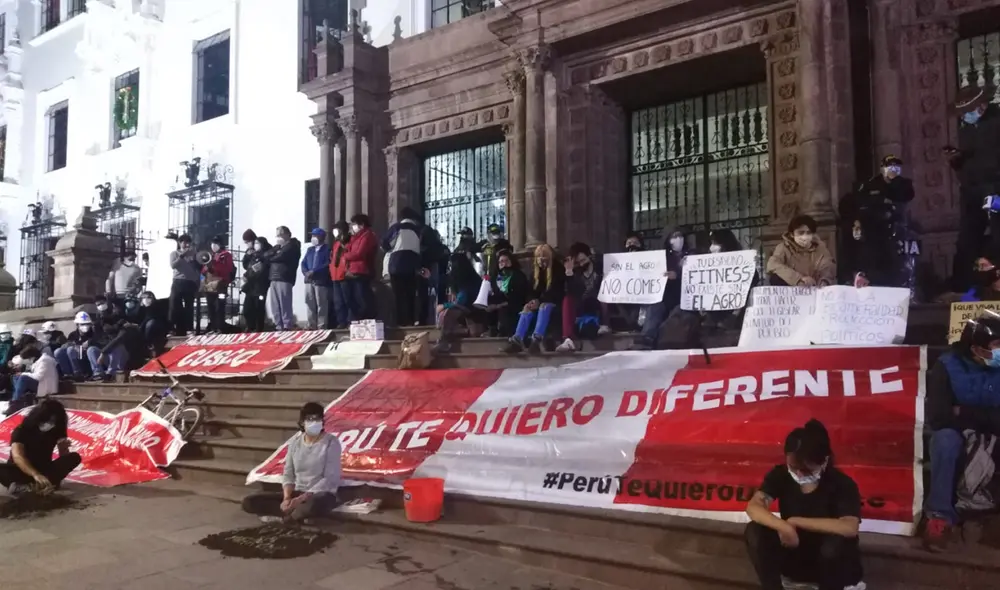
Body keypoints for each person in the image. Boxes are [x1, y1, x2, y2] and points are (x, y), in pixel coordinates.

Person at [744, 419, 865, 590]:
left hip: (832, 566)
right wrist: (783, 527)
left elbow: (849, 527)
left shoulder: (842, 484)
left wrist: (795, 521)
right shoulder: (780, 475)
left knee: (835, 545)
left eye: (806, 469)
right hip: (795, 557)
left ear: (824, 461)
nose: (799, 474)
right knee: (754, 531)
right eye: (794, 467)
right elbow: (754, 507)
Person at [922, 311, 1000, 551]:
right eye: (996, 346)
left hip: (987, 429)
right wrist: (982, 419)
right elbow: (939, 416)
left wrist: (964, 412)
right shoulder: (947, 365)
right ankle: (939, 517)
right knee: (945, 441)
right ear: (976, 349)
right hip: (957, 430)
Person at [241, 402, 341, 522]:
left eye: (317, 419)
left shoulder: (331, 442)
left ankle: (284, 517)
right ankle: (294, 516)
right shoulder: (295, 443)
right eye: (310, 419)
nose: (314, 422)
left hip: (319, 494)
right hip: (297, 492)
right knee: (249, 502)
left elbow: (329, 478)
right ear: (302, 422)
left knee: (314, 504)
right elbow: (288, 473)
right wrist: (287, 498)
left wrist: (301, 499)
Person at [949, 84, 1000, 292]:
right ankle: (964, 286)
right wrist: (956, 161)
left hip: (995, 186)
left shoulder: (996, 123)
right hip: (972, 189)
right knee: (967, 238)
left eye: (968, 112)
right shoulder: (967, 130)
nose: (964, 117)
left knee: (998, 233)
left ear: (982, 106)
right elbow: (969, 159)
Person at [840, 155, 915, 287]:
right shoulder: (871, 184)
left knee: (897, 264)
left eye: (897, 167)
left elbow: (907, 195)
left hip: (897, 229)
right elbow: (859, 203)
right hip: (874, 230)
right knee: (872, 261)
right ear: (882, 168)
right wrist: (857, 222)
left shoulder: (904, 183)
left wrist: (894, 182)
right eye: (890, 166)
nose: (893, 169)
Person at [0, 399, 81, 496]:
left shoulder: (56, 429)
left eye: (53, 421)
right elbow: (18, 456)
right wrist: (35, 474)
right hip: (21, 469)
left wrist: (64, 448)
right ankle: (31, 486)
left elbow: (63, 457)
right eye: (48, 420)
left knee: (74, 457)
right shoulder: (22, 430)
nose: (50, 424)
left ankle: (36, 486)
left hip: (44, 468)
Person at [630, 228, 692, 350]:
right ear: (668, 240)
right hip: (667, 295)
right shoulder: (663, 257)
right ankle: (647, 337)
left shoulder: (691, 254)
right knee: (655, 307)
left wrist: (678, 275)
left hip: (685, 297)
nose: (677, 239)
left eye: (679, 235)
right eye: (673, 236)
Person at [502, 244, 565, 354]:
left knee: (543, 306)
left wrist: (539, 301)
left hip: (554, 304)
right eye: (539, 257)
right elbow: (530, 291)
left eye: (544, 256)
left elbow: (557, 292)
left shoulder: (558, 271)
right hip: (539, 303)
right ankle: (517, 340)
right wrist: (531, 301)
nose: (541, 260)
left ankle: (536, 340)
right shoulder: (535, 273)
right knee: (526, 308)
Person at [557, 243, 610, 352]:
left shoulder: (599, 268)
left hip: (597, 303)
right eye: (578, 262)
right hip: (582, 305)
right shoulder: (576, 274)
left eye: (583, 260)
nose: (581, 264)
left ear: (589, 256)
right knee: (567, 300)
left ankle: (604, 325)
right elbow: (571, 291)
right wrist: (569, 273)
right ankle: (567, 339)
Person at [383, 208, 431, 326]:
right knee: (410, 295)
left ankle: (400, 321)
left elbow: (385, 243)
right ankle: (410, 319)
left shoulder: (397, 228)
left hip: (397, 266)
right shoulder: (419, 231)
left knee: (398, 295)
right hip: (412, 267)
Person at [433, 252, 487, 353]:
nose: (450, 268)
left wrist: (445, 306)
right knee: (448, 314)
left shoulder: (469, 279)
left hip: (475, 311)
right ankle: (449, 337)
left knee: (450, 312)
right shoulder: (461, 278)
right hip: (467, 312)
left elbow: (463, 300)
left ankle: (444, 342)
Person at [766, 215, 837, 287]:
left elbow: (828, 265)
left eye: (808, 233)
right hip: (791, 289)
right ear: (792, 234)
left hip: (815, 287)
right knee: (775, 277)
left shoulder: (820, 247)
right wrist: (798, 279)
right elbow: (773, 265)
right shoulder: (783, 247)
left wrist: (824, 280)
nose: (805, 237)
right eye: (801, 233)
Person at [262, 226, 302, 330]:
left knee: (285, 303)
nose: (278, 237)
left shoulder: (292, 246)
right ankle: (278, 325)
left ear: (287, 234)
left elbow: (281, 257)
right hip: (273, 277)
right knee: (275, 304)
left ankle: (287, 324)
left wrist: (272, 256)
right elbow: (266, 255)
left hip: (284, 277)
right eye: (277, 235)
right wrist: (274, 253)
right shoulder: (278, 247)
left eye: (280, 235)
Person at [486, 249, 530, 338]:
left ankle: (506, 333)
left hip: (514, 304)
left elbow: (519, 295)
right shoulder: (495, 277)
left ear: (511, 262)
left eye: (506, 261)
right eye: (501, 261)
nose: (504, 263)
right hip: (499, 303)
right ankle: (492, 329)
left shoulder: (518, 275)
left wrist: (499, 305)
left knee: (504, 309)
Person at [4, 346, 59, 416]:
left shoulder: (45, 360)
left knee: (23, 378)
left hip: (46, 385)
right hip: (40, 383)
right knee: (16, 377)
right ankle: (17, 401)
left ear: (31, 357)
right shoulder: (38, 360)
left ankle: (15, 404)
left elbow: (38, 376)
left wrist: (24, 373)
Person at [343, 214, 378, 322]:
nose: (352, 227)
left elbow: (359, 253)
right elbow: (347, 249)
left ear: (361, 225)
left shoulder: (368, 235)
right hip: (351, 271)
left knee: (362, 297)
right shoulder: (355, 237)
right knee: (349, 297)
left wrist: (346, 256)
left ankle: (366, 318)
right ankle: (357, 318)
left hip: (362, 270)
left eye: (354, 224)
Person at [87, 301, 129, 381]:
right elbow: (99, 341)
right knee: (91, 349)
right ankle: (98, 373)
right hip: (108, 357)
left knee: (116, 347)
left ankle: (111, 373)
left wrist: (103, 352)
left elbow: (116, 341)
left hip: (122, 357)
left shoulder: (123, 326)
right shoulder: (102, 326)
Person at [202, 235, 235, 333]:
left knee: (219, 306)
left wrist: (214, 266)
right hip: (210, 286)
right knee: (211, 307)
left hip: (221, 285)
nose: (213, 245)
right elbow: (203, 271)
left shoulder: (226, 255)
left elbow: (228, 269)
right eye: (212, 243)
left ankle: (220, 327)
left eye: (216, 243)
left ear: (220, 244)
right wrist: (206, 268)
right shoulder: (210, 255)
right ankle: (213, 327)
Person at [168, 234, 200, 336]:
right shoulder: (174, 253)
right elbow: (173, 265)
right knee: (174, 305)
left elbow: (198, 267)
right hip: (177, 281)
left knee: (189, 306)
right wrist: (182, 256)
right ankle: (172, 328)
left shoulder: (194, 254)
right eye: (182, 242)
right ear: (179, 243)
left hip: (189, 282)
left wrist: (197, 282)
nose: (185, 244)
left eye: (187, 242)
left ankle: (189, 329)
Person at [301, 228, 331, 330]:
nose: (313, 238)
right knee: (309, 302)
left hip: (320, 280)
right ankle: (311, 324)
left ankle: (321, 325)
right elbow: (303, 262)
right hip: (309, 280)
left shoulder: (327, 249)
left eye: (315, 236)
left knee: (321, 303)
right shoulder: (310, 249)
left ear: (322, 237)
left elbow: (327, 264)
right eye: (312, 236)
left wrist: (314, 271)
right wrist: (306, 272)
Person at [54, 312, 98, 381]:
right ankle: (67, 374)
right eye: (82, 324)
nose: (85, 326)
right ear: (77, 325)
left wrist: (83, 345)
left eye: (87, 324)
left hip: (86, 358)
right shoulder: (73, 335)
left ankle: (78, 374)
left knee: (71, 350)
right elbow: (67, 346)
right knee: (58, 351)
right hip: (75, 357)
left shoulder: (94, 334)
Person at [242, 235, 271, 332]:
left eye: (258, 243)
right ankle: (250, 326)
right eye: (255, 243)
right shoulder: (254, 255)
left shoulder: (265, 256)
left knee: (259, 308)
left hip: (260, 286)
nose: (255, 245)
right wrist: (247, 255)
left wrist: (248, 276)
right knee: (247, 309)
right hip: (251, 287)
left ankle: (259, 328)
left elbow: (260, 270)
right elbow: (248, 266)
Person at [328, 221, 351, 329]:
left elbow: (348, 254)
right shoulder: (336, 243)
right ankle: (341, 321)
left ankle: (349, 321)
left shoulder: (348, 240)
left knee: (347, 299)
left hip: (345, 275)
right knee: (338, 301)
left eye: (337, 229)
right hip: (335, 275)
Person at [136, 290, 168, 356]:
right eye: (144, 298)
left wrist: (140, 327)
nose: (146, 300)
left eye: (149, 298)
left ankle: (148, 343)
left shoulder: (155, 307)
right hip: (144, 330)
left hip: (156, 328)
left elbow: (149, 318)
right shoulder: (141, 309)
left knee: (151, 323)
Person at [0, 325, 14, 395]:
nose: (4, 336)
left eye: (6, 333)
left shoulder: (13, 344)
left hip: (8, 367)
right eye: (2, 333)